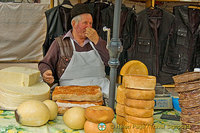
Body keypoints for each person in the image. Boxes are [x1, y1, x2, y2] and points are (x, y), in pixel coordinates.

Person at [38, 3, 110, 99]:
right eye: (85, 23)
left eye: (90, 23)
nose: (89, 27)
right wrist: (46, 72)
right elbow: (45, 63)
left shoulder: (97, 42)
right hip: (70, 90)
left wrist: (98, 41)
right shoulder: (60, 43)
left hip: (100, 89)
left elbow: (110, 61)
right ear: (74, 24)